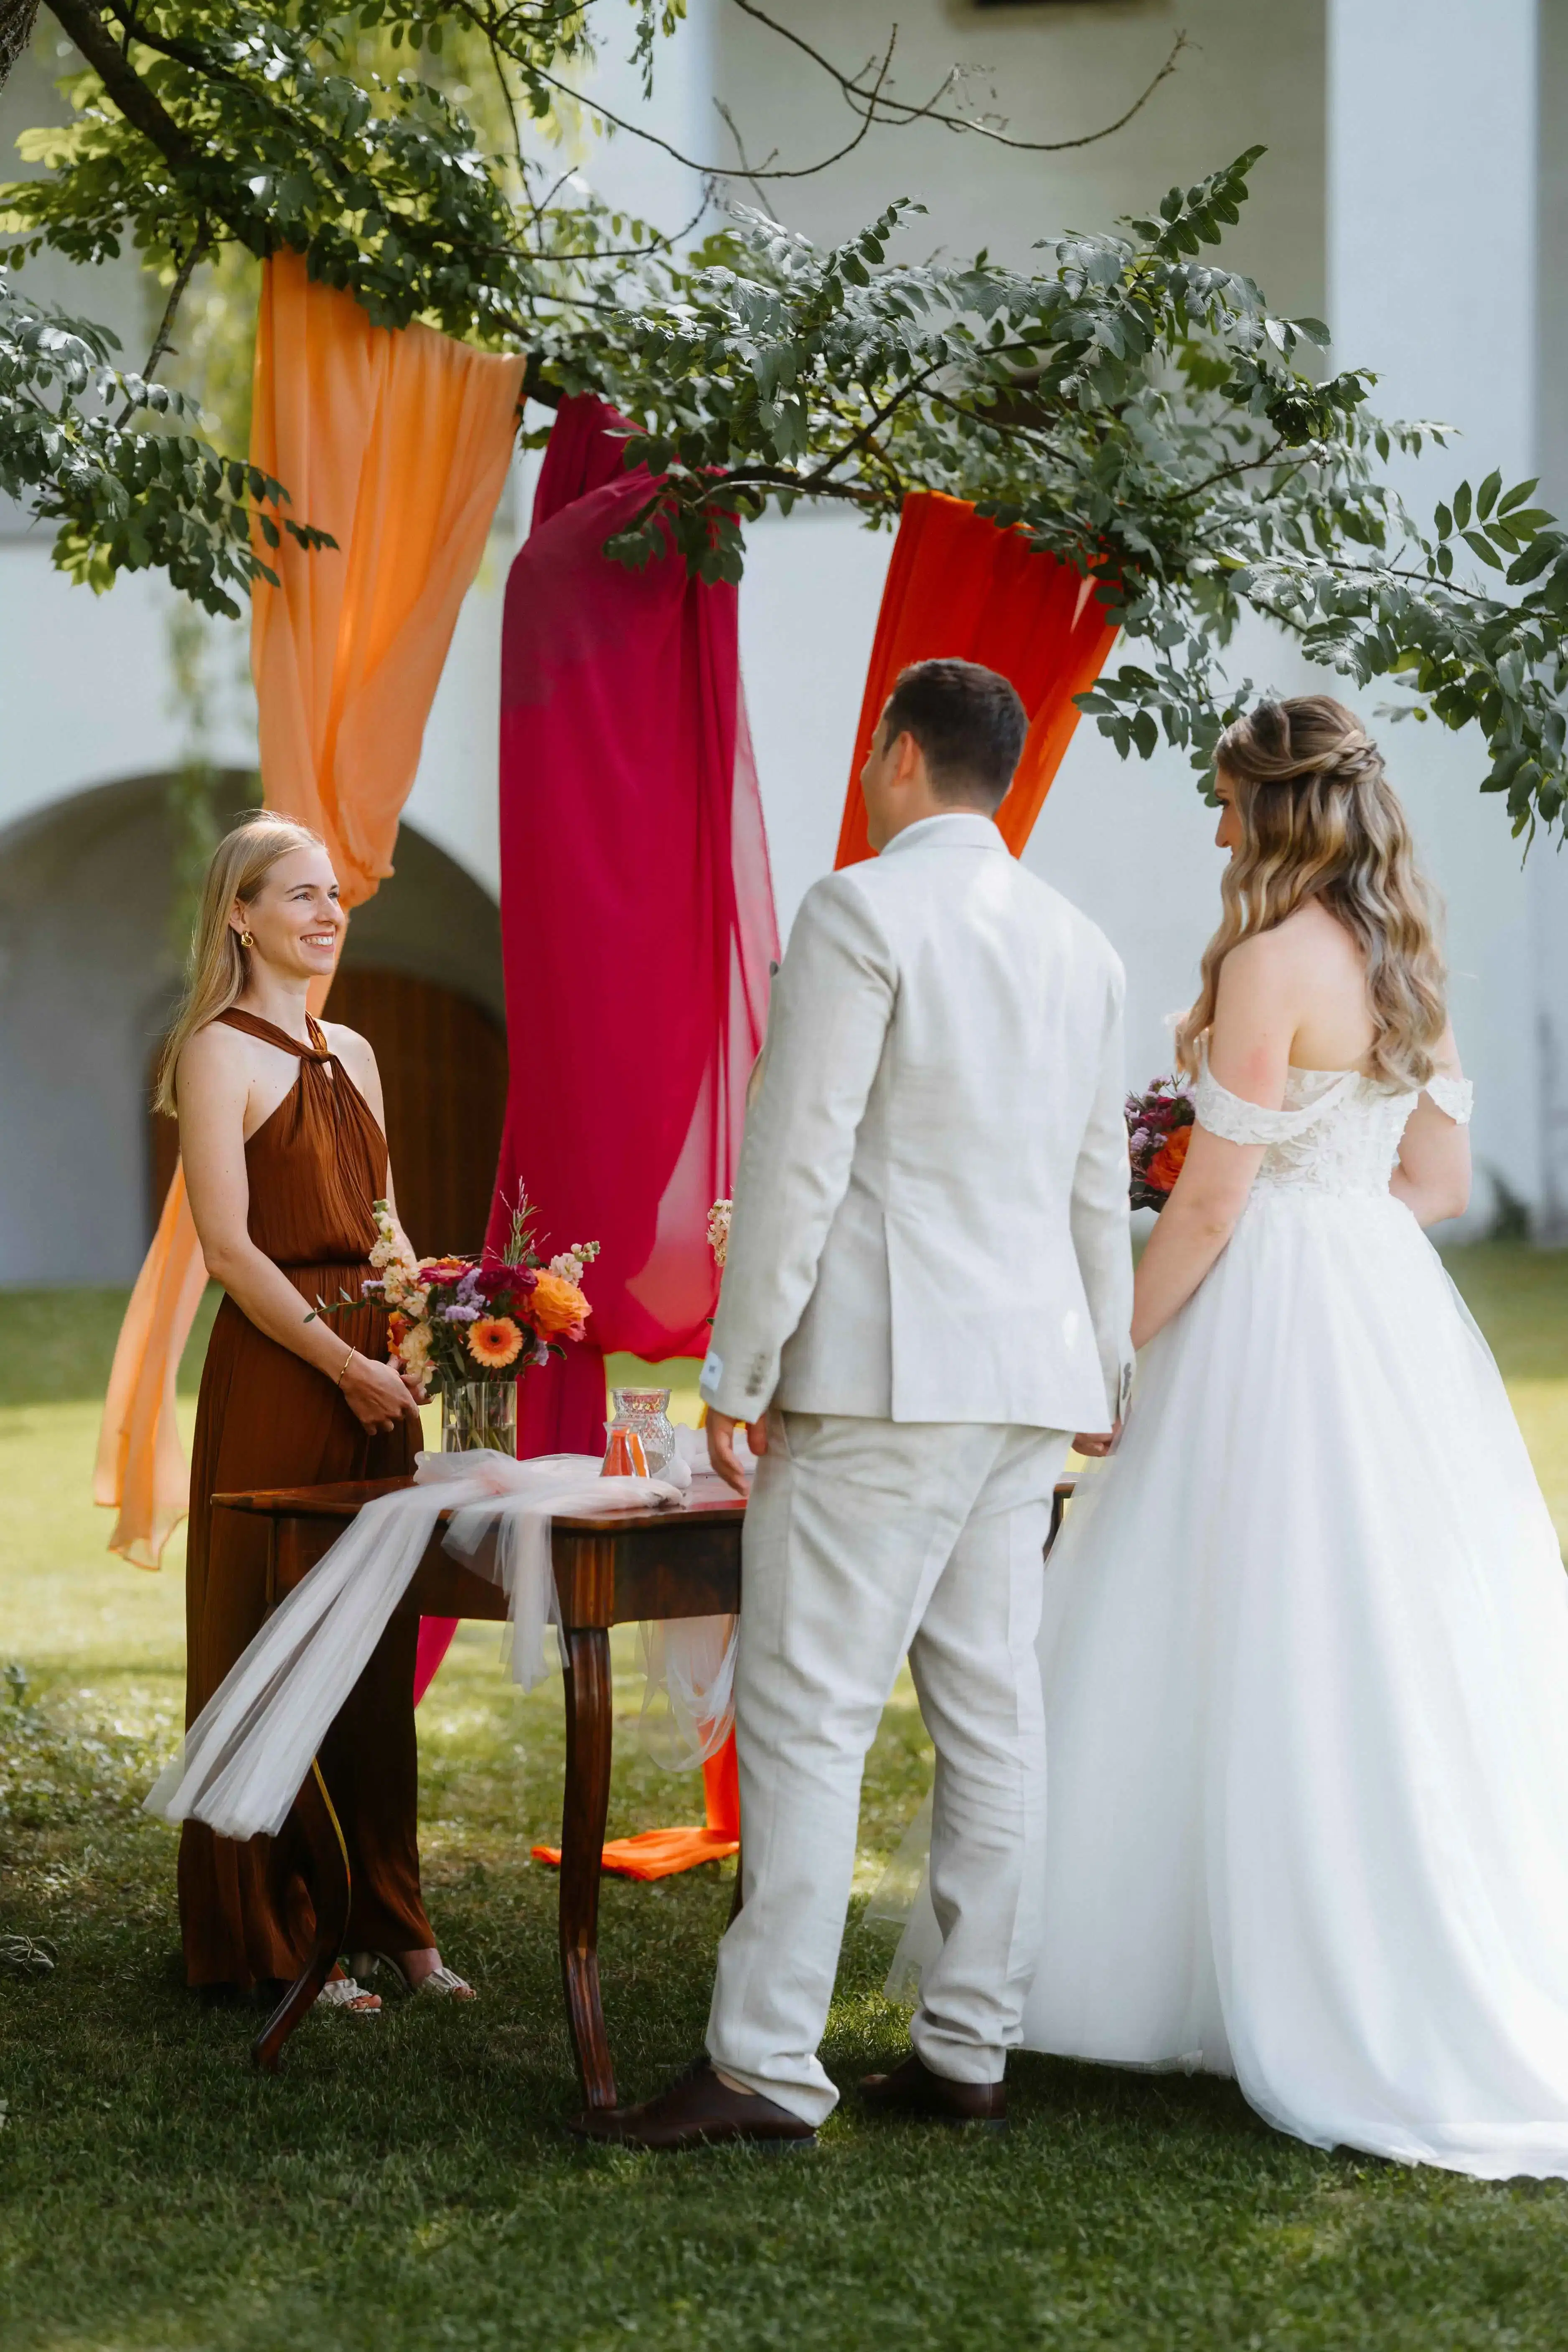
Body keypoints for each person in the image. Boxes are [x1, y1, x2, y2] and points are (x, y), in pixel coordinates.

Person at [909, 694, 1568, 2179]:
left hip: (1270, 1302)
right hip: (1381, 1306)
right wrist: (1345, 1251)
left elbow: (1210, 1205)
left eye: (1223, 802)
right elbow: (1444, 1183)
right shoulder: (1407, 961)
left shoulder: (1271, 960)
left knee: (1219, 1614)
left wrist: (1104, 1355)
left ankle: (1189, 1965)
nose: (1212, 825)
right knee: (1372, 1625)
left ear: (1273, 812)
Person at [574, 657, 1133, 2148]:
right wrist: (1108, 1371)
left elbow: (801, 1153)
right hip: (1027, 1383)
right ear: (1000, 773)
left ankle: (762, 2063)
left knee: (809, 1714)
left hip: (884, 1378)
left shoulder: (858, 908)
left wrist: (738, 1370)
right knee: (995, 1719)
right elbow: (1096, 1185)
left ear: (894, 754)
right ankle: (969, 2047)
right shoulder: (1082, 945)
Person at [159, 814, 473, 2009]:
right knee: (274, 1643)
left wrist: (423, 1326)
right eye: (300, 893)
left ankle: (394, 1920)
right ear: (239, 913)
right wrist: (338, 1363)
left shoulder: (357, 1048)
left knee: (374, 1660)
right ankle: (280, 1932)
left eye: (333, 893)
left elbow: (384, 1221)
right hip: (284, 1378)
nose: (328, 910)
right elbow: (232, 1251)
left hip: (379, 1377)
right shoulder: (215, 1052)